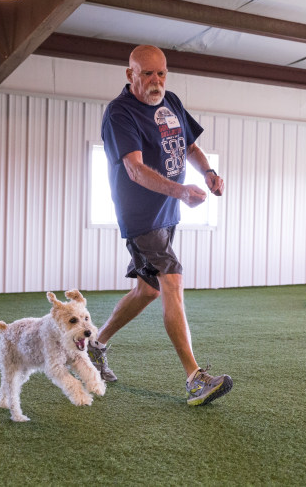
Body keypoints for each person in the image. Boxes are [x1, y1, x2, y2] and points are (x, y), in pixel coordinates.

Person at [87, 45, 232, 406]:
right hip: (140, 215)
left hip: (168, 212)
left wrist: (209, 173)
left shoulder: (173, 103)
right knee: (172, 279)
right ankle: (195, 378)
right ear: (130, 74)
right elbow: (134, 169)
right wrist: (181, 190)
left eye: (162, 73)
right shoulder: (120, 113)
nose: (156, 81)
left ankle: (95, 344)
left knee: (147, 291)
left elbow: (188, 147)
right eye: (148, 73)